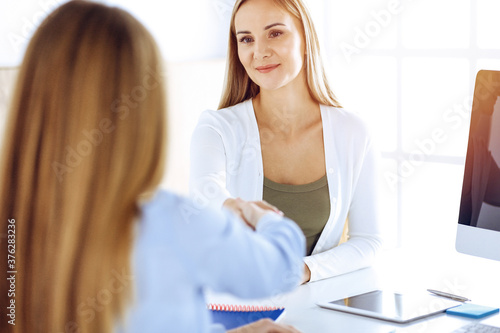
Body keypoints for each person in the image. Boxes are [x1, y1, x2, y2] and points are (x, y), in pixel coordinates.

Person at [0, 2, 304, 333]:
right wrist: (265, 218)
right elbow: (281, 269)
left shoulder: (14, 231)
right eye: (245, 39)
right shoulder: (169, 221)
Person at [190, 0, 382, 284]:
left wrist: (302, 271)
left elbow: (368, 241)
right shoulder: (216, 129)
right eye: (246, 39)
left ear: (306, 38)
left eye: (275, 33)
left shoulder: (352, 132)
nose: (260, 52)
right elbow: (204, 194)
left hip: (316, 311)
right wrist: (235, 207)